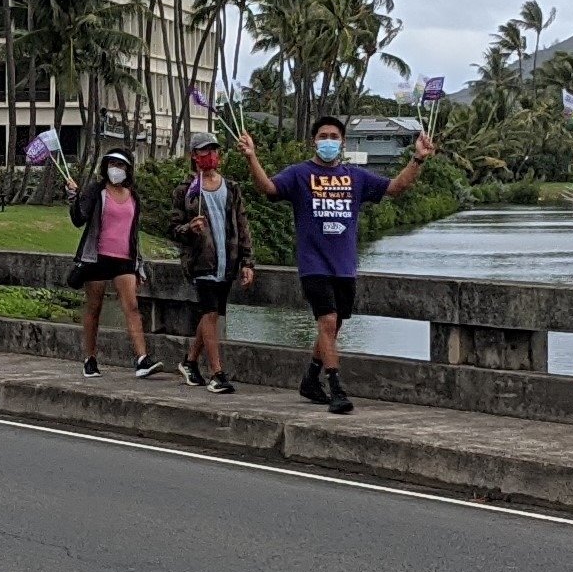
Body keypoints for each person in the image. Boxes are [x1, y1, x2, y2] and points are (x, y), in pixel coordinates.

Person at [240, 118, 434, 414]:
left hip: (344, 266)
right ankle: (336, 387)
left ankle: (310, 379)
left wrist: (418, 158)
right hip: (313, 264)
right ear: (313, 141)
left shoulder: (356, 177)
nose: (327, 141)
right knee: (327, 322)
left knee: (334, 326)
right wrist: (252, 157)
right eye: (322, 136)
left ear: (342, 143)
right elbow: (267, 187)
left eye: (333, 136)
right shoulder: (299, 174)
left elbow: (395, 188)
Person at [170, 132, 255, 394]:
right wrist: (189, 228)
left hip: (226, 261)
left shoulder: (231, 187)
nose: (212, 156)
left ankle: (190, 361)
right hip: (201, 263)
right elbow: (173, 228)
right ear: (195, 156)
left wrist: (247, 261)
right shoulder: (185, 191)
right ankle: (217, 373)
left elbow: (242, 225)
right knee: (209, 314)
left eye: (215, 150)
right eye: (206, 151)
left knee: (214, 314)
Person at [63, 149, 158, 379]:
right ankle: (90, 358)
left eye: (121, 165)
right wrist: (74, 197)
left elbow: (134, 233)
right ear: (105, 167)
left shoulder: (133, 196)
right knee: (94, 308)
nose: (116, 169)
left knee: (132, 307)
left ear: (128, 170)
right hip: (98, 256)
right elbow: (79, 219)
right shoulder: (97, 191)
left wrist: (139, 265)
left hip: (124, 259)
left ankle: (142, 358)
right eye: (112, 164)